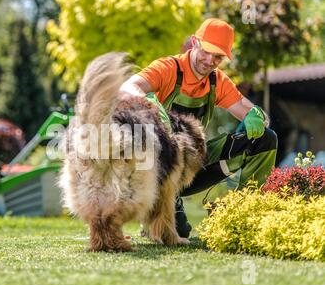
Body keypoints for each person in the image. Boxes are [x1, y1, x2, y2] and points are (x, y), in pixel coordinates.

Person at [117, 18, 278, 238]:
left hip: (193, 164)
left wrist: (257, 116)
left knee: (266, 139)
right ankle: (160, 207)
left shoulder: (217, 81)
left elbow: (250, 111)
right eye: (206, 51)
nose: (210, 60)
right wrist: (149, 104)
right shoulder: (167, 69)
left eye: (218, 56)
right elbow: (127, 87)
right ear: (194, 42)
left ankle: (247, 214)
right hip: (159, 171)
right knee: (178, 234)